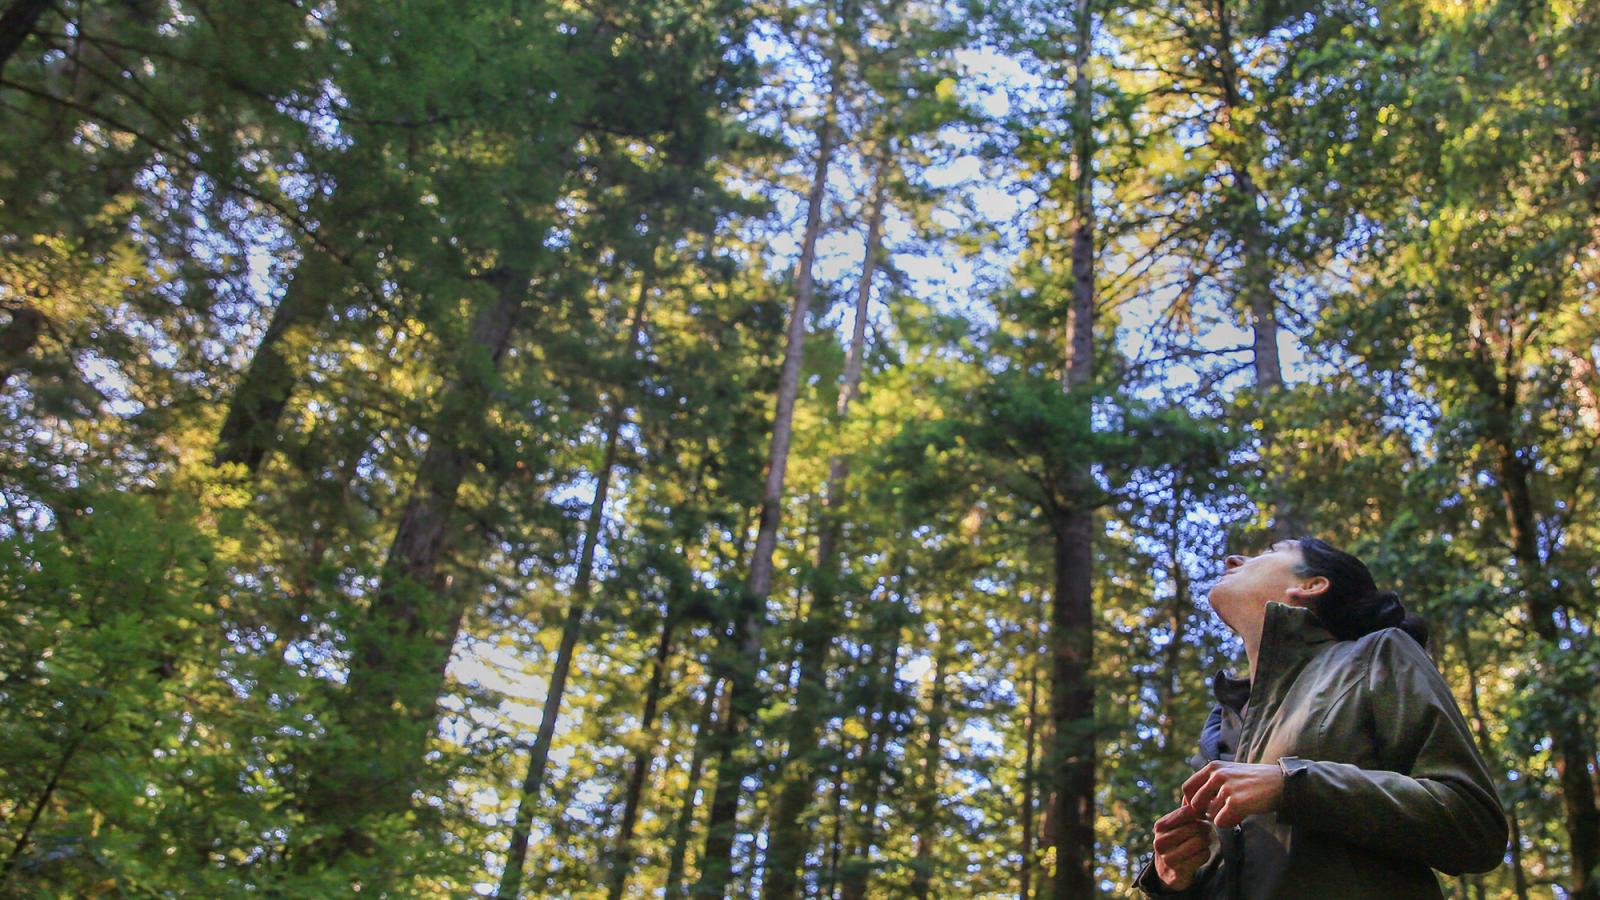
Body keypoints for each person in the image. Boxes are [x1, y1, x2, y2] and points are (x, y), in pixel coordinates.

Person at [1133, 536, 1509, 898]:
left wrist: (1292, 785)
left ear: (1311, 585)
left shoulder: (1375, 655)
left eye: (1269, 551)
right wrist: (1172, 881)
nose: (1233, 560)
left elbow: (1473, 823)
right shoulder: (1222, 726)